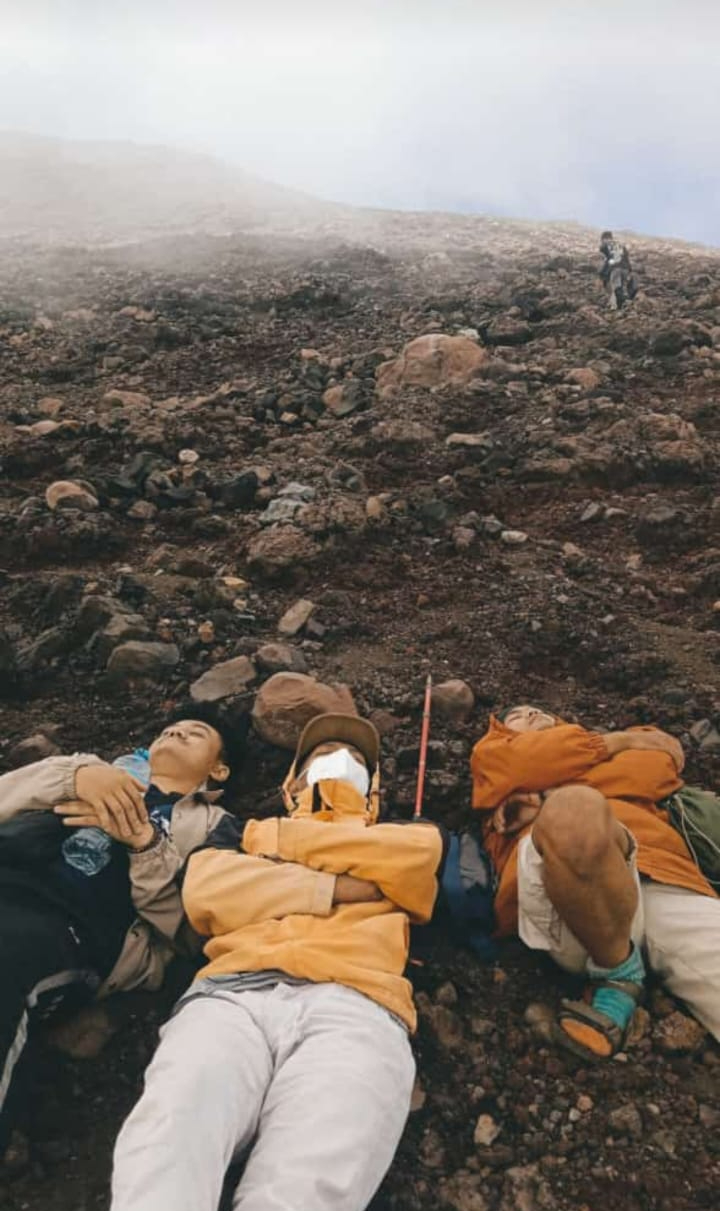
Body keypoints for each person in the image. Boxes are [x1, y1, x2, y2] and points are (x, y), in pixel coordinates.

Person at [111, 713, 443, 1211]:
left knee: (310, 1182)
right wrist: (346, 884)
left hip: (358, 1005)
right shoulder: (234, 831)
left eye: (355, 760)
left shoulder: (410, 837)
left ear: (374, 792)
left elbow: (418, 862)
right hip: (231, 996)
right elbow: (206, 892)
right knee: (169, 1134)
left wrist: (273, 850)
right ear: (291, 786)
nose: (339, 764)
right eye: (320, 758)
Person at [0, 703, 243, 1159]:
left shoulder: (214, 828)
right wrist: (75, 776)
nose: (177, 731)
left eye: (195, 732)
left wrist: (146, 845)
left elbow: (192, 931)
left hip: (65, 927)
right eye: (171, 726)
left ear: (220, 768)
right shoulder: (94, 770)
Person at [470, 705, 719, 1059]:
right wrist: (616, 748)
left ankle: (623, 978)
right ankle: (617, 974)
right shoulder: (490, 753)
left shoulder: (572, 753)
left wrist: (543, 794)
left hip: (658, 874)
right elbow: (510, 765)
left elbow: (660, 765)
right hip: (567, 897)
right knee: (573, 811)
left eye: (538, 711)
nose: (529, 711)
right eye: (518, 716)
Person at [599, 230, 635, 311]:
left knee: (616, 288)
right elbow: (626, 257)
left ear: (604, 238)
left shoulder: (606, 244)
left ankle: (624, 302)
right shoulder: (621, 245)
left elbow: (609, 259)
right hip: (625, 269)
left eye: (602, 240)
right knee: (619, 287)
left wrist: (602, 272)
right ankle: (617, 306)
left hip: (616, 269)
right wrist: (629, 270)